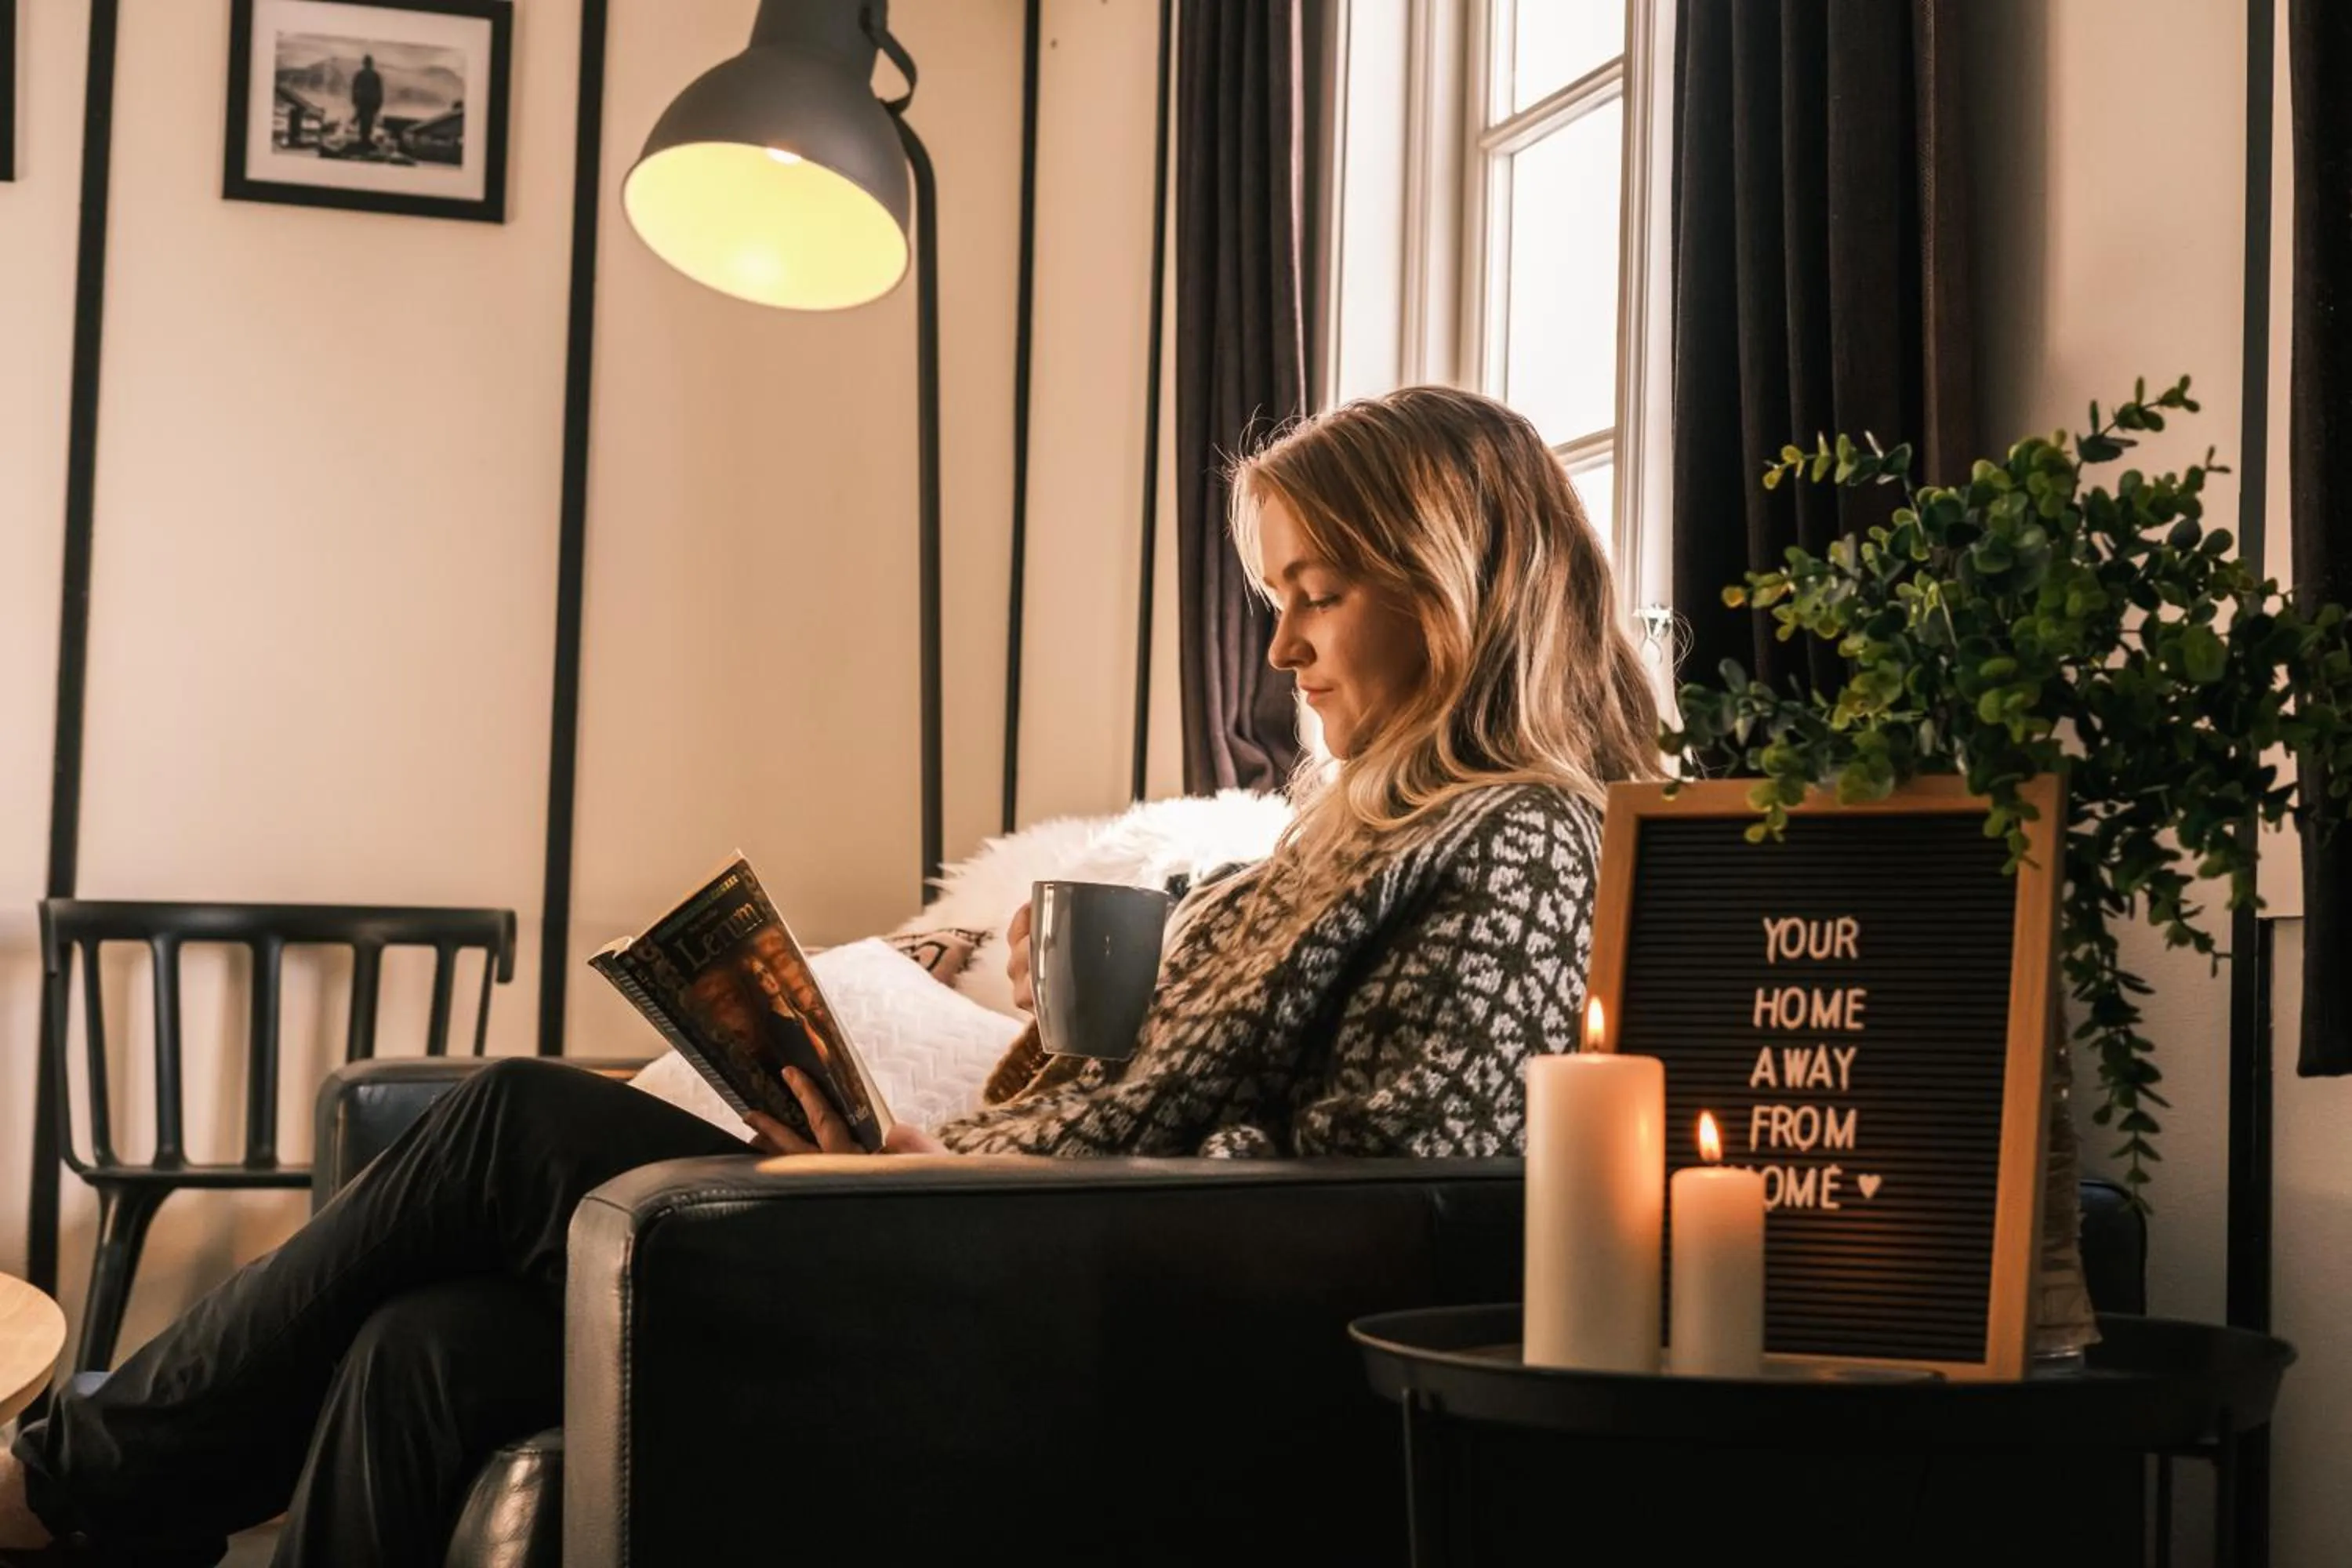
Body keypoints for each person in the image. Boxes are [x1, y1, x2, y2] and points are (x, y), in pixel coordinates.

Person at [0, 386, 1662, 1566]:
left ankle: (68, 1481)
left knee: (509, 1118)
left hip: (1051, 1275)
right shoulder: (1332, 831)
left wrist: (962, 1168)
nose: (1285, 646)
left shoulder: (1520, 836)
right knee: (426, 1348)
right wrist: (1035, 1031)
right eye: (1273, 599)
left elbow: (1405, 1180)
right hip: (1001, 1224)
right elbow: (1175, 1077)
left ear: (1458, 587)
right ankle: (99, 1495)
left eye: (1317, 593)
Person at [350, 54, 384, 155]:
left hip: (363, 101)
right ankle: (365, 140)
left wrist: (355, 100)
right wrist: (379, 104)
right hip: (370, 102)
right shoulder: (375, 75)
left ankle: (363, 140)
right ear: (371, 63)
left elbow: (354, 89)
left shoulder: (360, 74)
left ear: (364, 63)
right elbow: (379, 91)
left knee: (363, 120)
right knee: (368, 121)